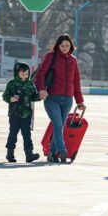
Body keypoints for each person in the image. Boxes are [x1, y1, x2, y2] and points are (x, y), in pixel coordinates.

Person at [35, 34, 85, 163]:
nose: (64, 48)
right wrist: (41, 89)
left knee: (60, 127)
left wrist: (79, 101)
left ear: (71, 46)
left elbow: (76, 82)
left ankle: (52, 153)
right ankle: (62, 150)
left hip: (67, 99)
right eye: (62, 45)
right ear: (58, 46)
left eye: (67, 45)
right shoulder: (50, 57)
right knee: (57, 124)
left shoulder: (73, 60)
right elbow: (40, 74)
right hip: (51, 98)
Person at [2, 62, 41, 163]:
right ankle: (10, 154)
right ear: (17, 73)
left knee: (26, 134)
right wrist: (11, 98)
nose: (25, 76)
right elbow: (5, 96)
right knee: (13, 134)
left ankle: (29, 154)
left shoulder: (30, 84)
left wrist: (40, 97)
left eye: (26, 74)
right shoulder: (12, 84)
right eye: (22, 74)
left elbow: (33, 97)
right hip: (14, 114)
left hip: (26, 114)